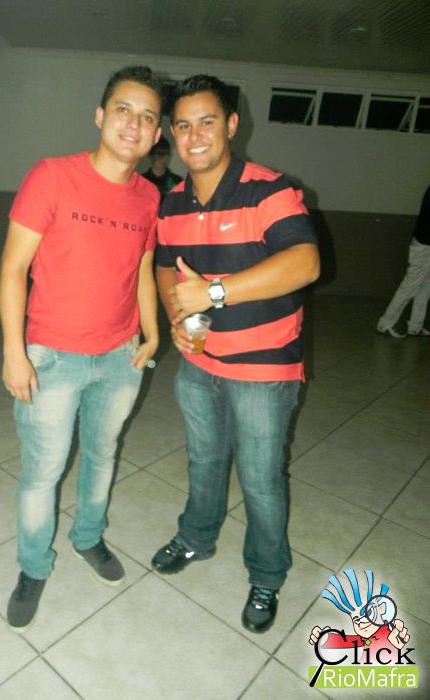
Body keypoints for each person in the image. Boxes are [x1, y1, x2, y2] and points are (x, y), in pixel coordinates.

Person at [152, 75, 320, 634]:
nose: (194, 135)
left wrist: (215, 293)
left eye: (207, 122)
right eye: (183, 125)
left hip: (263, 369)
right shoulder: (172, 202)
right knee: (203, 461)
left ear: (230, 125)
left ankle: (267, 574)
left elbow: (304, 263)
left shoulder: (269, 191)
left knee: (260, 478)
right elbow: (165, 269)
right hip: (200, 363)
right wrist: (178, 317)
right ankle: (196, 538)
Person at [0, 65, 163, 632]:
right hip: (51, 356)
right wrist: (14, 351)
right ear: (100, 116)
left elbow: (143, 271)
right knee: (43, 471)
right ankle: (33, 567)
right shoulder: (52, 176)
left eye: (147, 117)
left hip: (120, 358)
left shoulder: (149, 197)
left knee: (102, 454)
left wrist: (153, 331)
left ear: (156, 134)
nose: (133, 124)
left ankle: (88, 537)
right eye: (123, 110)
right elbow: (13, 268)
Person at [376, 184, 430, 337]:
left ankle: (415, 326)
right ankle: (385, 323)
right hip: (424, 245)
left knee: (426, 286)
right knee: (410, 285)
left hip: (425, 243)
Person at [142, 135, 182, 200]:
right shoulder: (141, 182)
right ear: (151, 155)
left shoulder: (177, 182)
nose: (163, 158)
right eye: (159, 153)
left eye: (166, 153)